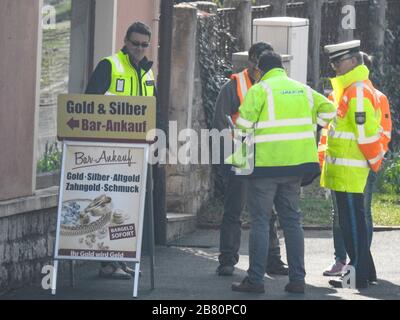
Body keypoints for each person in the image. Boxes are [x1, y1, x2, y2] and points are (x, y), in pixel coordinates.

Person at [230, 51, 336, 294]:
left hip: (266, 167)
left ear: (259, 69)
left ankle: (255, 280)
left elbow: (243, 125)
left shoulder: (260, 89)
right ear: (282, 68)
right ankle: (297, 279)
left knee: (260, 222)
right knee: (292, 222)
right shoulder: (303, 90)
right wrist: (313, 123)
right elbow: (330, 111)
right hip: (296, 167)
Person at [85, 21, 155, 279]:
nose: (139, 49)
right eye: (135, 43)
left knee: (127, 209)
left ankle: (119, 259)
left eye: (144, 45)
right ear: (125, 41)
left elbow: (153, 108)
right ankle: (106, 263)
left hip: (137, 152)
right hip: (110, 151)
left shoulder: (147, 72)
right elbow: (89, 103)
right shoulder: (110, 65)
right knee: (108, 207)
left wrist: (160, 138)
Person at [212, 42, 289, 277]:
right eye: (260, 62)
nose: (263, 67)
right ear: (252, 61)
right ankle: (227, 259)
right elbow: (220, 122)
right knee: (234, 210)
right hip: (242, 158)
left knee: (269, 212)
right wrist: (226, 161)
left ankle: (272, 260)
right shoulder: (234, 86)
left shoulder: (273, 84)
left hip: (267, 158)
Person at [322, 51, 392, 278]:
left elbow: (367, 134)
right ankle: (366, 273)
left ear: (353, 62)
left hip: (351, 172)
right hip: (346, 172)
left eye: (338, 62)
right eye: (332, 62)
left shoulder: (357, 91)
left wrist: (374, 161)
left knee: (352, 226)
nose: (334, 67)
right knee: (354, 225)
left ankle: (358, 276)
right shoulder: (353, 89)